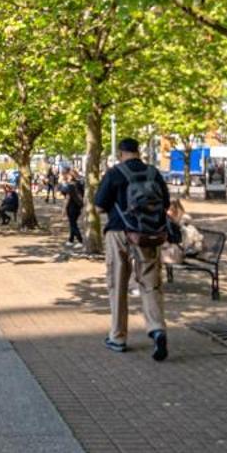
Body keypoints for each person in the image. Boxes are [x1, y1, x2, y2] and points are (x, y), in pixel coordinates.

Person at [93, 139, 170, 360]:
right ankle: (157, 330)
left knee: (117, 284)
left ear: (121, 154)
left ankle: (118, 337)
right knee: (151, 283)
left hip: (118, 233)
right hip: (147, 235)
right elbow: (165, 204)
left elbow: (98, 206)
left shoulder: (115, 173)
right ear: (138, 152)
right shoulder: (153, 173)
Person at [160, 197, 205, 267]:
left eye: (170, 210)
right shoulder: (173, 223)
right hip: (177, 252)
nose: (167, 213)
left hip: (179, 253)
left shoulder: (183, 224)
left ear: (177, 210)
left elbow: (182, 243)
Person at [63, 175, 86, 248]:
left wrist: (63, 209)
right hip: (78, 207)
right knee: (73, 223)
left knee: (73, 224)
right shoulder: (79, 184)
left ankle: (80, 240)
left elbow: (67, 198)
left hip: (71, 207)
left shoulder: (70, 186)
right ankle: (71, 240)